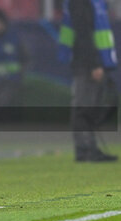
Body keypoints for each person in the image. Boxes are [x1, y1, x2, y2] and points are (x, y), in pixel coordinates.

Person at [58, 0, 118, 162]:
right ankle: (85, 149)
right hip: (87, 63)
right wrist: (95, 63)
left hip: (94, 61)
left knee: (90, 106)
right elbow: (83, 33)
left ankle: (89, 148)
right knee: (84, 107)